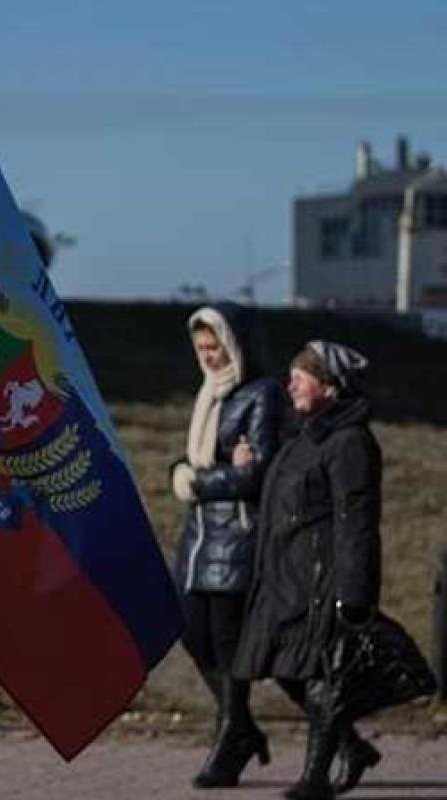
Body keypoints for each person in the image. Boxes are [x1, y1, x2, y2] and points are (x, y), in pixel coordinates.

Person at [233, 341, 381, 800]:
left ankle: (315, 778)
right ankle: (353, 747)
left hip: (322, 582)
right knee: (284, 668)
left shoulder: (351, 443)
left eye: (303, 375)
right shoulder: (304, 438)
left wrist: (353, 592)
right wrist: (248, 468)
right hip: (284, 580)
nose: (291, 383)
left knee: (319, 677)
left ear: (331, 386)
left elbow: (356, 518)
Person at [170, 303, 285, 788]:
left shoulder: (261, 395)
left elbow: (256, 473)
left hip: (236, 537)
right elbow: (201, 464)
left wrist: (197, 481)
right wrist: (187, 473)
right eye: (202, 348)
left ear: (236, 344)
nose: (210, 357)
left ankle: (233, 734)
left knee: (228, 643)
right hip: (199, 537)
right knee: (189, 631)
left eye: (216, 346)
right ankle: (240, 726)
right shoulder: (208, 396)